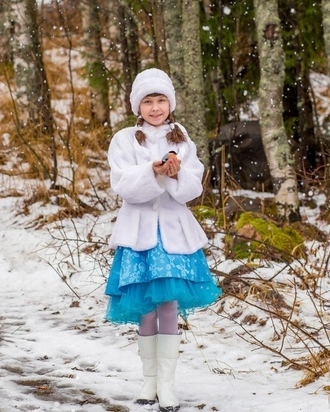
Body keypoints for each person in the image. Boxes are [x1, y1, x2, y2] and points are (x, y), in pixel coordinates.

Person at [104, 68, 221, 412]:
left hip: (173, 233)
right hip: (139, 233)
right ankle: (148, 380)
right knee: (145, 307)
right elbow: (122, 184)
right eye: (148, 101)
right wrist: (150, 172)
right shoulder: (124, 139)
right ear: (137, 106)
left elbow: (193, 187)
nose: (155, 108)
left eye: (161, 100)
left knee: (168, 304)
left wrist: (176, 173)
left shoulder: (181, 137)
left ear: (170, 103)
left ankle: (167, 385)